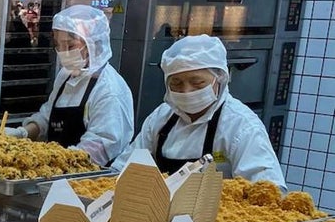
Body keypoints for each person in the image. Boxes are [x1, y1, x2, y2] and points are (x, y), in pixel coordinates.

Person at [113, 34, 286, 188]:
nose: (187, 91)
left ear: (220, 79)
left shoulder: (241, 127)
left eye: (197, 83)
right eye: (176, 83)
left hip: (218, 220)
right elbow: (124, 168)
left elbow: (267, 191)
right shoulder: (161, 118)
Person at [5, 5, 134, 167]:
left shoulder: (109, 89)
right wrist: (23, 132)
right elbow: (48, 116)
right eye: (59, 45)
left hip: (89, 180)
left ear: (91, 44)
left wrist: (58, 163)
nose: (63, 52)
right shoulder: (66, 75)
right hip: (56, 172)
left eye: (70, 46)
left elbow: (102, 144)